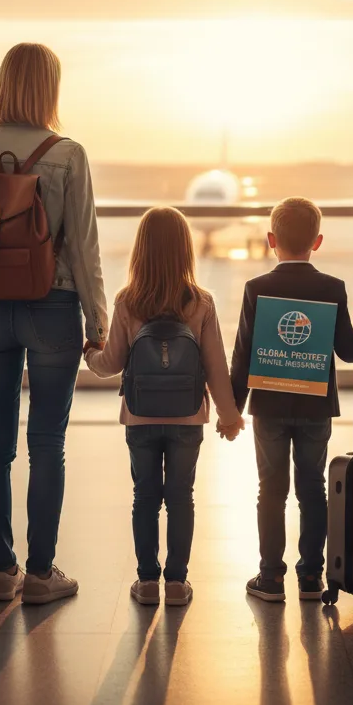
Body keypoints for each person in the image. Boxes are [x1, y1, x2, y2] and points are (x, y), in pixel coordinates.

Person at [0, 42, 108, 605]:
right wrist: (98, 321)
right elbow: (83, 247)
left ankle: (1, 570)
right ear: (50, 89)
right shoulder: (68, 154)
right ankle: (40, 574)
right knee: (47, 444)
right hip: (53, 309)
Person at [85, 207, 244, 607]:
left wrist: (90, 353)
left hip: (139, 418)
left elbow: (112, 365)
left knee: (145, 497)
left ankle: (146, 581)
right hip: (188, 418)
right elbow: (214, 367)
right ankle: (176, 582)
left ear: (141, 251)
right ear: (185, 250)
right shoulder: (201, 302)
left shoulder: (127, 301)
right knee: (180, 497)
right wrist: (229, 416)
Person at [230, 197, 353, 603]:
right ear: (318, 241)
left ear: (271, 239)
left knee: (270, 491)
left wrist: (232, 411)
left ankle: (270, 578)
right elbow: (348, 350)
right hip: (315, 407)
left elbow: (242, 355)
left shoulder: (257, 288)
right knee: (312, 489)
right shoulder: (331, 288)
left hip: (270, 407)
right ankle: (312, 577)